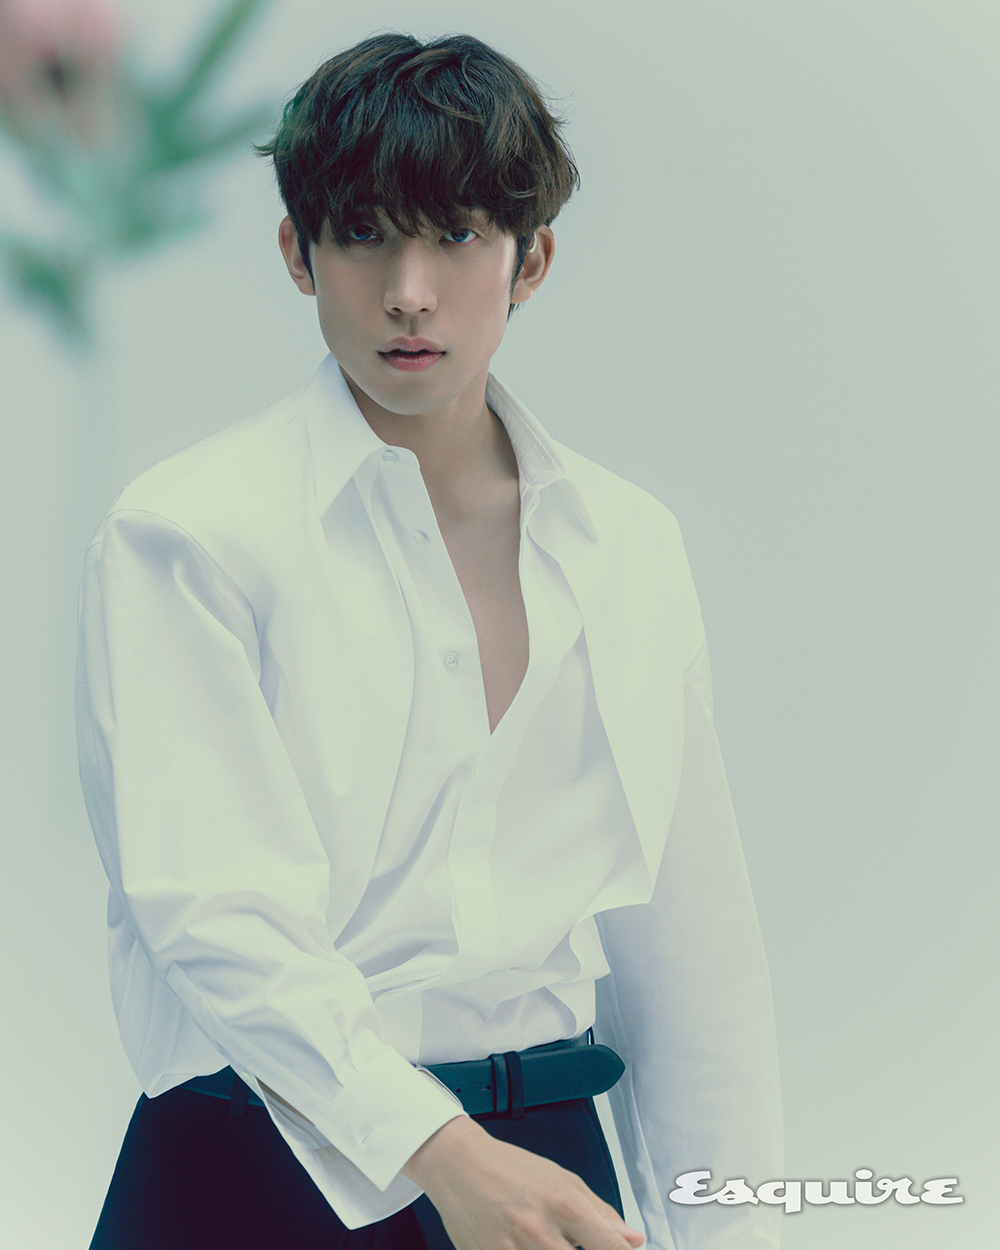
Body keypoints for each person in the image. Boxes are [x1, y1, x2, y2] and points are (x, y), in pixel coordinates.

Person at [76, 31, 783, 1250]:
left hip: (546, 1153)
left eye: (456, 234)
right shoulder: (187, 534)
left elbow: (688, 950)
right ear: (297, 252)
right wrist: (443, 1154)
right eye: (363, 234)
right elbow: (216, 915)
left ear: (530, 259)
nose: (409, 290)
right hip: (248, 1164)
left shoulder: (627, 543)